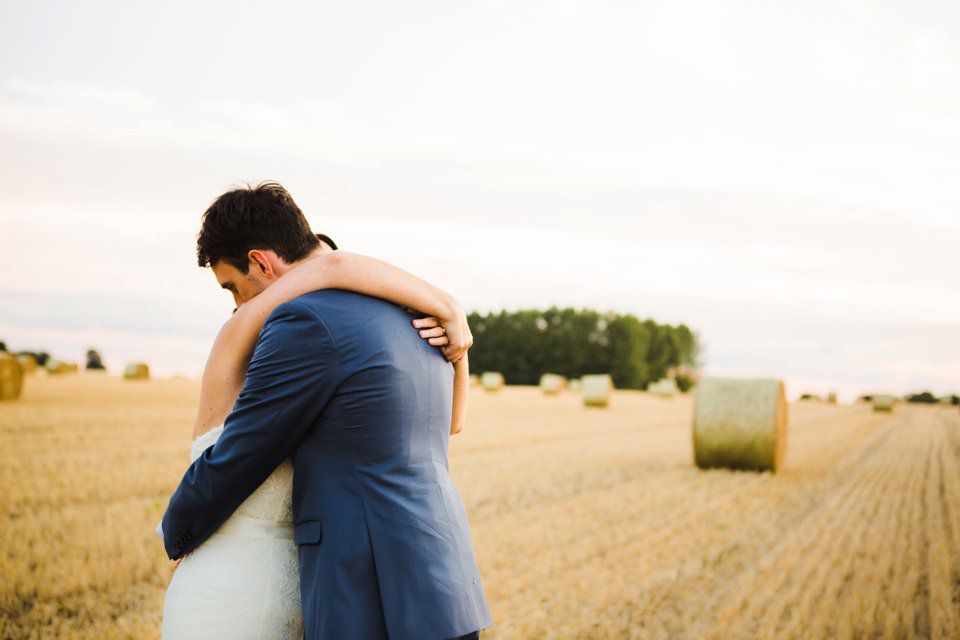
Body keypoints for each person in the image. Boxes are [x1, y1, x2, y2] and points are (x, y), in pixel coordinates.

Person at [158, 182, 491, 639]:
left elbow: (243, 452)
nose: (238, 308)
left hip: (370, 596)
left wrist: (175, 529)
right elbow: (454, 423)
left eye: (233, 287)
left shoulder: (305, 322)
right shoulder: (410, 310)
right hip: (447, 585)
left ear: (261, 261)